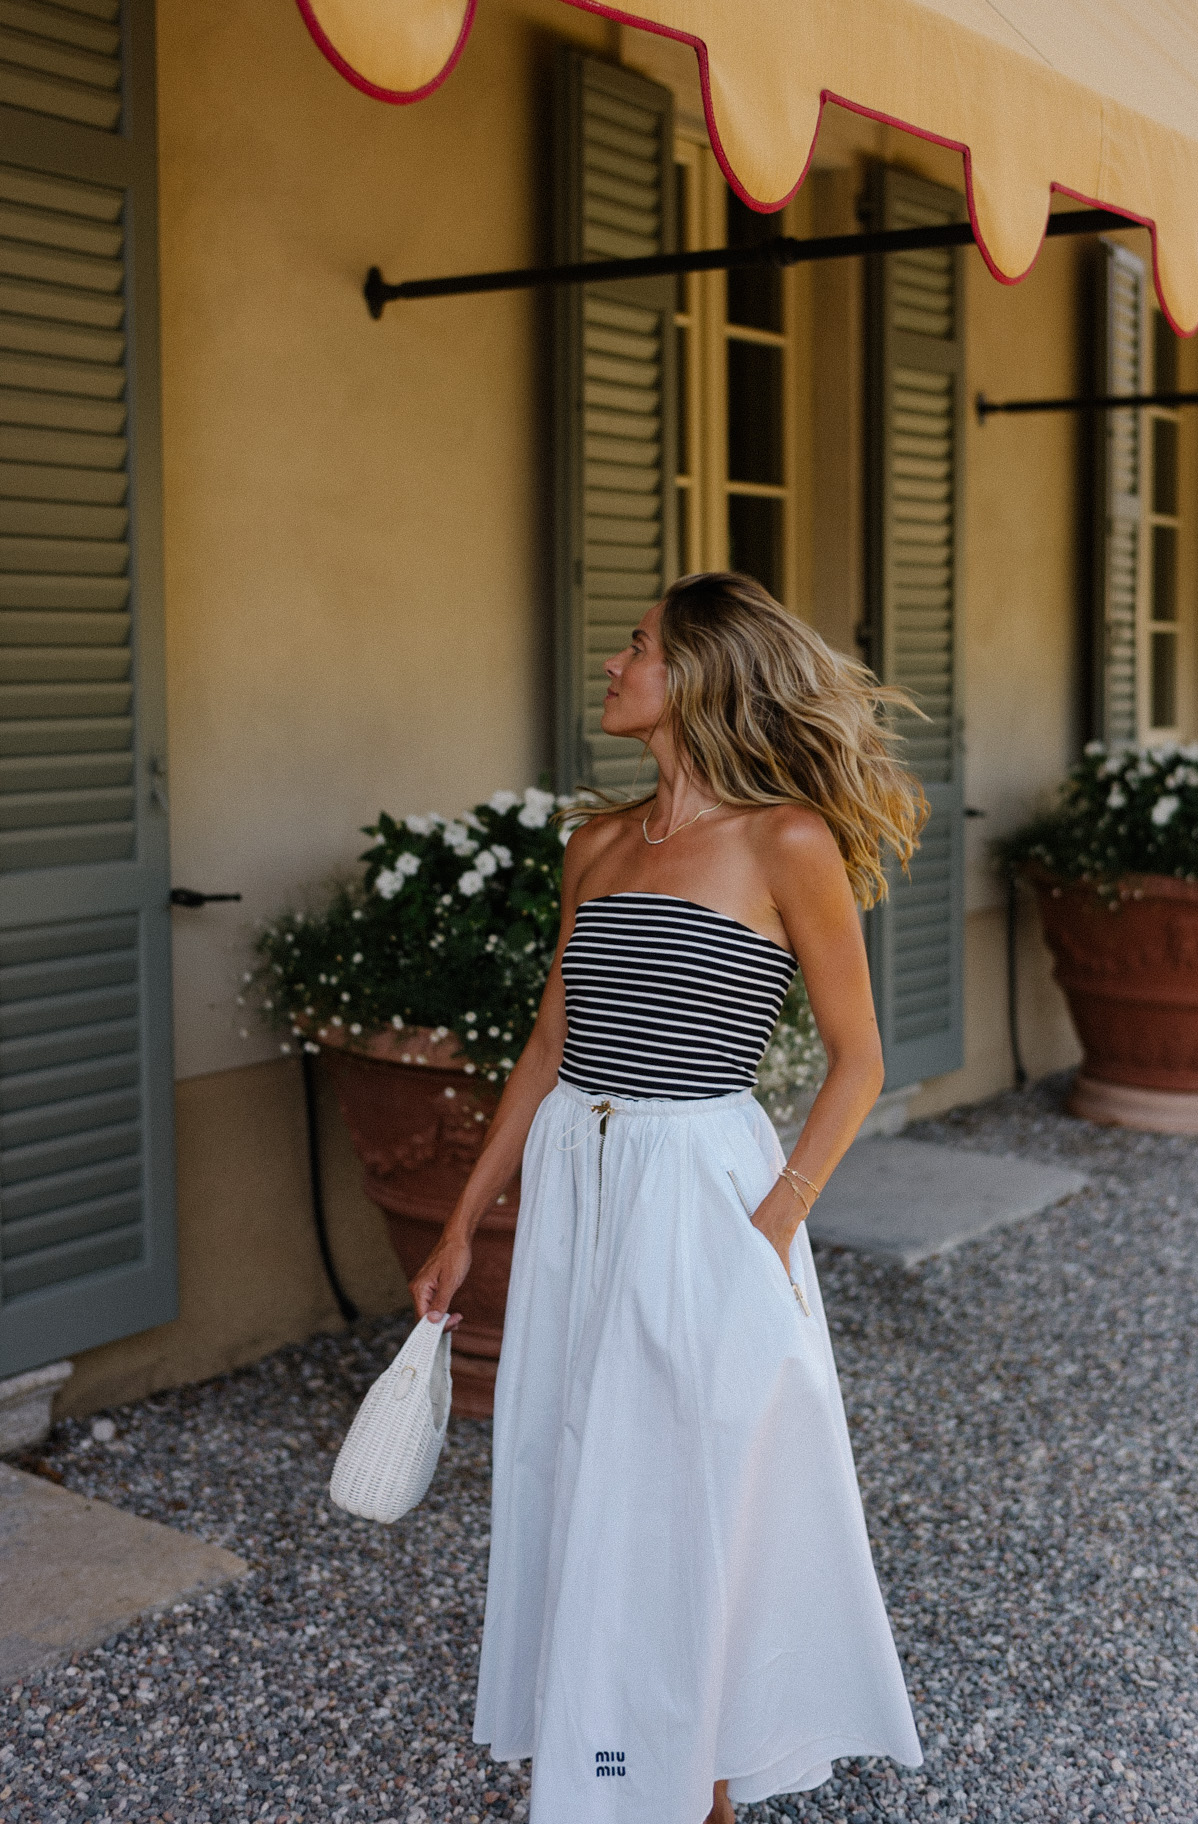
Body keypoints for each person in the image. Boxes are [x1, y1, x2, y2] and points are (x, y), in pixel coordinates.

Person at [412, 570, 926, 1824]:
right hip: (580, 1185)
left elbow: (860, 1060)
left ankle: (699, 1787)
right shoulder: (597, 842)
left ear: (696, 675)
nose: (613, 664)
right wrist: (463, 1218)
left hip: (703, 1189)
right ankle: (609, 1759)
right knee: (576, 1462)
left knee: (691, 1479)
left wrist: (772, 1222)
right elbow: (548, 1045)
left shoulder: (784, 842)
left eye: (636, 647)